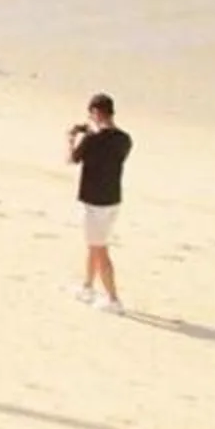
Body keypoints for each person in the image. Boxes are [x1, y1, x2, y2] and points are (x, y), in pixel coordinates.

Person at [68, 95, 133, 312]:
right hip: (112, 200)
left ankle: (113, 298)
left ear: (96, 112)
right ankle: (88, 286)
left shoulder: (92, 140)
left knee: (99, 248)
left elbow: (72, 158)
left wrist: (73, 139)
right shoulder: (125, 139)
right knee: (94, 244)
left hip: (93, 201)